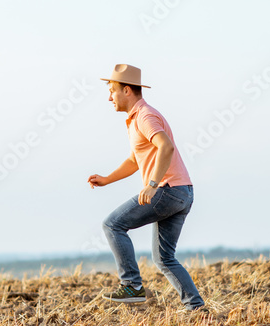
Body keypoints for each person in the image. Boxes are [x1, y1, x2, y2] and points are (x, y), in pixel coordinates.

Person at [88, 64, 206, 311]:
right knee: (164, 259)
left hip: (167, 190)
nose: (109, 97)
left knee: (112, 225)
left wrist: (152, 184)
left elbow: (166, 147)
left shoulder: (144, 116)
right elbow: (134, 160)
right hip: (183, 192)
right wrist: (107, 179)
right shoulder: (135, 120)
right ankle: (196, 309)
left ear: (127, 90)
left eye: (112, 91)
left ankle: (131, 285)